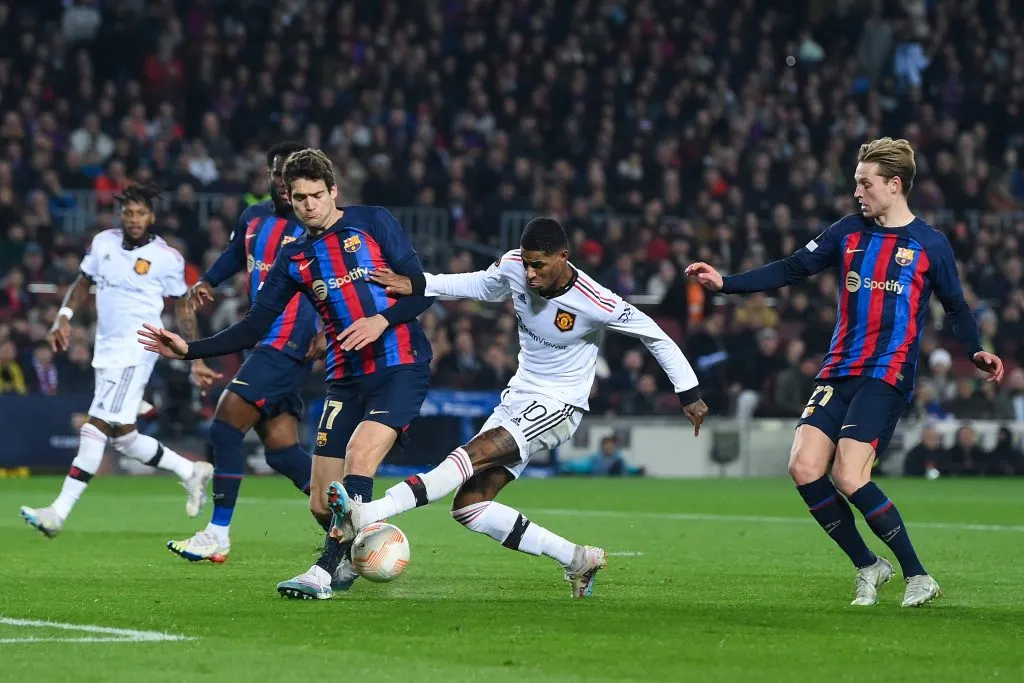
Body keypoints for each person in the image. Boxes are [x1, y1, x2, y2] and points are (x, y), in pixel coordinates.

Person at [685, 137, 1004, 607]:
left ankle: (919, 575)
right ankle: (869, 565)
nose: (857, 192)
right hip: (838, 369)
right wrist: (727, 284)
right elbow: (793, 267)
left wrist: (975, 350)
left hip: (887, 373)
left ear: (894, 185)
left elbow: (956, 307)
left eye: (865, 183)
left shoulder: (930, 244)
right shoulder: (848, 232)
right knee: (803, 466)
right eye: (856, 183)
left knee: (849, 475)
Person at [328, 217, 707, 599]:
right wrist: (422, 283)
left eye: (538, 265)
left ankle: (367, 513)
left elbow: (655, 335)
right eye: (526, 263)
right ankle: (577, 558)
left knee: (471, 455)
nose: (529, 273)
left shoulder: (596, 301)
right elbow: (479, 283)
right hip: (518, 398)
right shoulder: (514, 266)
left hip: (560, 405)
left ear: (563, 257)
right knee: (470, 507)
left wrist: (688, 393)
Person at [138, 148, 434, 599]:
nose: (309, 204)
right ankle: (363, 545)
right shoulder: (295, 256)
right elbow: (255, 325)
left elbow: (422, 290)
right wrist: (189, 350)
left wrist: (382, 320)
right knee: (320, 500)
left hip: (399, 362)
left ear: (333, 191)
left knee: (359, 456)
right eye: (300, 198)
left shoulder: (372, 222)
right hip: (345, 374)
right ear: (290, 200)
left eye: (317, 194)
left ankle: (324, 572)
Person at [20, 184, 219, 538]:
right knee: (125, 436)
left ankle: (58, 512)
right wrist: (63, 316)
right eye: (128, 213)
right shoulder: (103, 243)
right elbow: (83, 282)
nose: (134, 219)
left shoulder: (166, 258)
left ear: (151, 216)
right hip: (106, 350)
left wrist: (194, 354)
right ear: (121, 215)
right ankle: (191, 471)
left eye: (141, 213)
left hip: (137, 350)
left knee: (94, 426)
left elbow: (182, 307)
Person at [166, 141, 324, 564]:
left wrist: (327, 329)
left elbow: (339, 281)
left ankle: (217, 533)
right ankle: (352, 530)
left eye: (287, 175)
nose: (280, 182)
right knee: (283, 452)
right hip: (262, 340)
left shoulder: (314, 227)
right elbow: (235, 256)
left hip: (286, 341)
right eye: (275, 173)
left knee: (223, 429)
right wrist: (209, 282)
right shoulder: (253, 218)